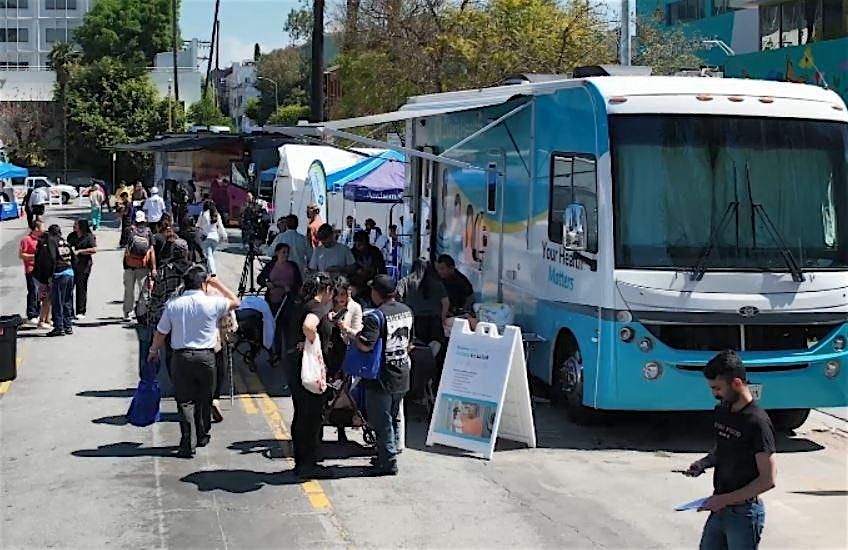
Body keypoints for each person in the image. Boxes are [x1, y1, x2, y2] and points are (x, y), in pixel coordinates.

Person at [682, 350, 776, 550]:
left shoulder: (757, 422)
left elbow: (768, 480)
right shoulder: (722, 411)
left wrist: (723, 500)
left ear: (737, 383)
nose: (714, 394)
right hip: (720, 508)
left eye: (717, 388)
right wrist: (703, 463)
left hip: (743, 514)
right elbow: (723, 448)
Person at [148, 268, 240, 458]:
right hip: (206, 357)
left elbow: (161, 332)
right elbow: (236, 302)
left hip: (180, 357)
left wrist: (153, 350)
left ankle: (187, 441)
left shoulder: (173, 305)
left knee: (184, 401)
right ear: (202, 284)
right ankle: (202, 433)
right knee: (204, 398)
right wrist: (218, 284)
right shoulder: (212, 303)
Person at [340, 274, 414, 476]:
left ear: (377, 293)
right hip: (402, 372)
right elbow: (410, 344)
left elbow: (365, 345)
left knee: (381, 421)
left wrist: (348, 331)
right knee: (392, 415)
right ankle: (386, 454)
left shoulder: (375, 316)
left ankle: (388, 463)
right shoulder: (407, 311)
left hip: (381, 377)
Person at [287, 272, 335, 479]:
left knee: (301, 415)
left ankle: (301, 461)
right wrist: (314, 343)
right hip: (309, 370)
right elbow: (309, 326)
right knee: (312, 417)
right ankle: (309, 463)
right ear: (327, 290)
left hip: (296, 369)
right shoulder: (317, 307)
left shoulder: (302, 304)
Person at [136, 238, 193, 381]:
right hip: (191, 314)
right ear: (186, 253)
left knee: (169, 350)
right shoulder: (195, 270)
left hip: (169, 316)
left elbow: (156, 296)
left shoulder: (164, 271)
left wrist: (152, 316)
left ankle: (175, 379)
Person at [325, 277, 363, 443]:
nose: (340, 299)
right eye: (337, 295)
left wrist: (344, 328)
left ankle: (342, 427)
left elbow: (357, 334)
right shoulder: (328, 306)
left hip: (346, 352)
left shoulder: (355, 308)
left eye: (343, 294)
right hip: (329, 353)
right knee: (328, 389)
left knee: (344, 391)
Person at [258, 242, 303, 353]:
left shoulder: (293, 266)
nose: (286, 255)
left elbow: (299, 282)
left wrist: (291, 289)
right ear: (277, 252)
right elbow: (260, 279)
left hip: (287, 299)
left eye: (287, 252)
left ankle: (289, 347)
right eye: (283, 252)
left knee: (287, 323)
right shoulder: (271, 266)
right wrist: (266, 283)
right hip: (272, 299)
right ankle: (275, 350)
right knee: (275, 324)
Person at [396, 259, 449, 345]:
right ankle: (431, 355)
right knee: (436, 342)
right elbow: (446, 302)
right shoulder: (437, 283)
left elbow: (398, 297)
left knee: (417, 344)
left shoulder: (405, 281)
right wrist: (442, 318)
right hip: (434, 320)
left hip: (415, 320)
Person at [43, 224, 76, 337]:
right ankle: (68, 326)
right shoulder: (65, 242)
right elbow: (74, 257)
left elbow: (52, 258)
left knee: (57, 302)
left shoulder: (52, 241)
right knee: (67, 301)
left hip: (59, 274)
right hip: (70, 272)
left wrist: (50, 275)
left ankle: (59, 327)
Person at [123, 211, 157, 321]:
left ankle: (128, 312)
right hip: (143, 265)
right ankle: (141, 314)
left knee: (129, 290)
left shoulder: (130, 231)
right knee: (143, 291)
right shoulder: (148, 232)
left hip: (129, 265)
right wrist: (153, 268)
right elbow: (151, 250)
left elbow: (126, 246)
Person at [67, 219, 97, 319]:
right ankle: (69, 311)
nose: (74, 226)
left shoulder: (89, 236)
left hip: (84, 265)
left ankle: (81, 311)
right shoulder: (71, 236)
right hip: (71, 265)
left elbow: (94, 249)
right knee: (69, 288)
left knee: (81, 287)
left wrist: (80, 251)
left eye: (76, 224)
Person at [19, 221, 44, 325]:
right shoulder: (26, 240)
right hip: (31, 269)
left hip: (41, 270)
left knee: (40, 293)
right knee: (33, 291)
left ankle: (38, 313)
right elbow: (21, 255)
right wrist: (35, 257)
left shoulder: (42, 240)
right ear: (36, 229)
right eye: (42, 227)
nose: (44, 229)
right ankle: (32, 314)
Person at [198, 201, 228, 277]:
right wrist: (224, 236)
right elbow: (221, 226)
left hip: (206, 237)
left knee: (209, 256)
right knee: (210, 255)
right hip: (215, 238)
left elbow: (198, 225)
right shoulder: (216, 214)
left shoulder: (203, 214)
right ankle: (209, 270)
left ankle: (212, 272)